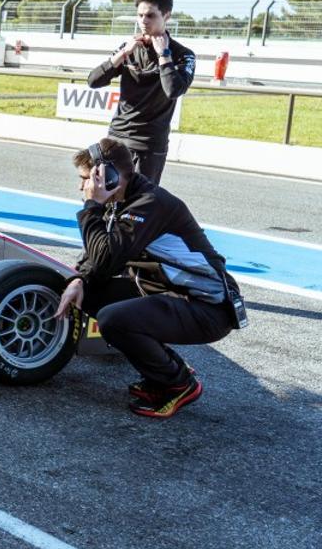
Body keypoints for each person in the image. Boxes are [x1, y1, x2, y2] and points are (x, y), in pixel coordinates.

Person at [56, 138, 245, 418]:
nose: (81, 186)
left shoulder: (149, 204)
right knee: (89, 293)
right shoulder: (123, 199)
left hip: (207, 308)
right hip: (170, 294)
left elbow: (108, 257)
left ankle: (178, 382)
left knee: (113, 319)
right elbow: (98, 260)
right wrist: (79, 279)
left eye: (85, 179)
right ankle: (162, 364)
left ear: (107, 177)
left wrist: (91, 206)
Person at [87, 0, 195, 185]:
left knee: (139, 206)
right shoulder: (128, 48)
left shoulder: (183, 55)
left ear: (166, 16)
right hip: (116, 138)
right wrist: (121, 55)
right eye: (140, 15)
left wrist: (164, 55)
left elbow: (173, 90)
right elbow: (94, 81)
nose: (144, 21)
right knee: (102, 195)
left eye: (151, 15)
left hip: (150, 145)